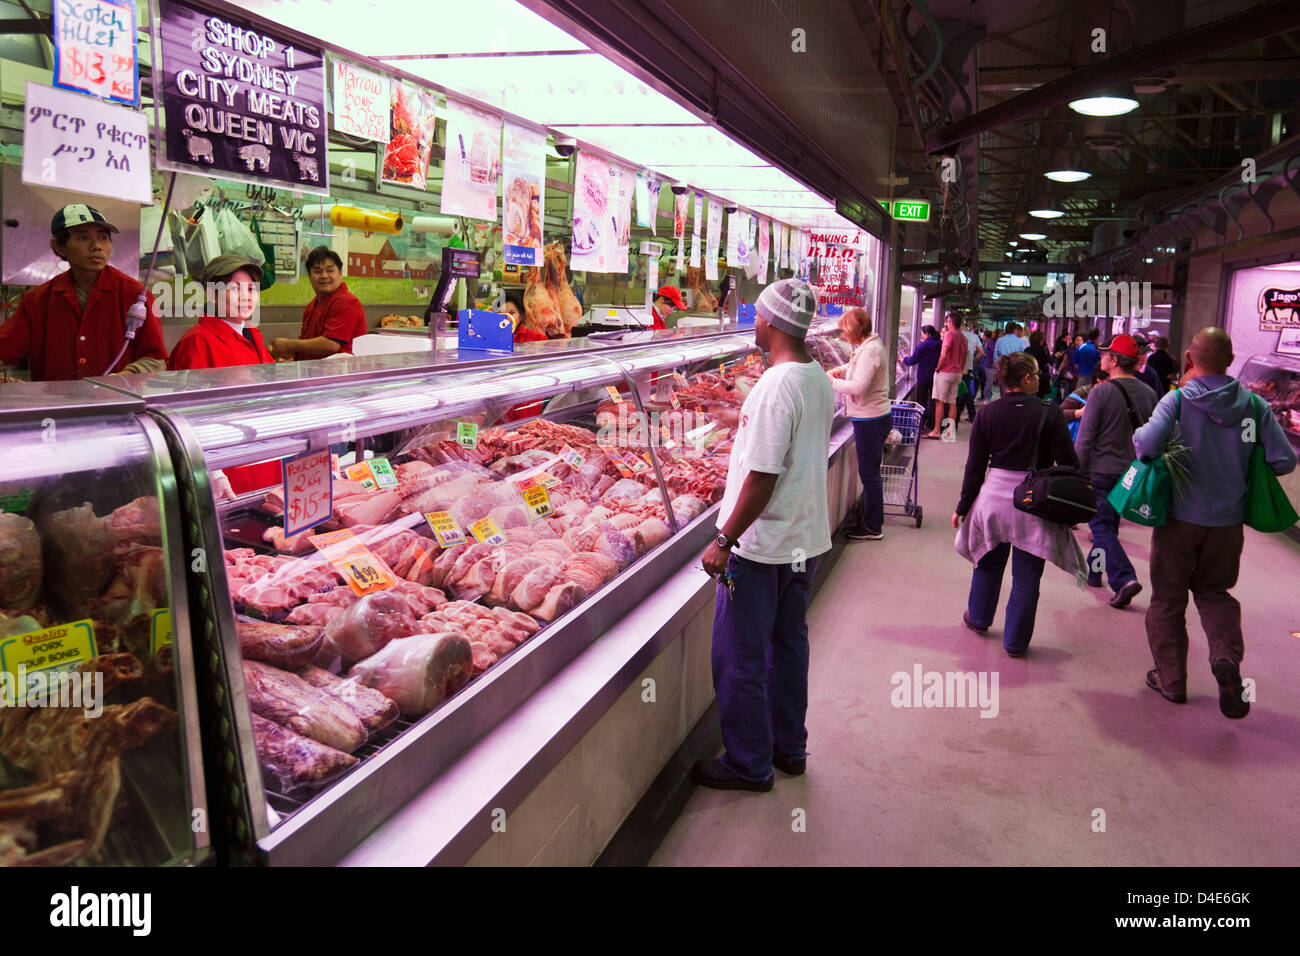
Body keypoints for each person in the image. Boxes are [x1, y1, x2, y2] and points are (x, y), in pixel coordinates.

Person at [695, 278, 833, 790]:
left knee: (740, 658)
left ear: (773, 323)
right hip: (804, 540)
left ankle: (748, 764)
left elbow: (762, 478)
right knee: (787, 648)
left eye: (756, 315)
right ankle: (788, 749)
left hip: (761, 549)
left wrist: (724, 540)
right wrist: (740, 417)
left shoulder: (775, 386)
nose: (752, 322)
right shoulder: (813, 374)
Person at [1134, 328, 1297, 717]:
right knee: (1215, 593)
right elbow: (1284, 460)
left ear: (1189, 358)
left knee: (1168, 599)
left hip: (1178, 520)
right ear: (1231, 358)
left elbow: (1146, 445)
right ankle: (1225, 659)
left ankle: (1171, 680)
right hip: (1227, 524)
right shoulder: (1255, 407)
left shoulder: (1176, 401)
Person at [954, 352, 1083, 656]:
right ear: (1026, 379)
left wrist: (962, 507)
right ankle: (1015, 642)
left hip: (993, 500)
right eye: (1037, 375)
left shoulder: (988, 413)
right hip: (1034, 502)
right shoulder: (1049, 413)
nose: (1040, 379)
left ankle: (980, 617)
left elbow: (974, 469)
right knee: (1027, 578)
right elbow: (1069, 463)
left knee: (987, 562)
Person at [0, 204, 166, 381]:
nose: (96, 246)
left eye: (103, 238)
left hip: (117, 405)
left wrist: (122, 379)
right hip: (57, 406)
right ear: (59, 246)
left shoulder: (135, 295)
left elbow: (156, 360)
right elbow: (5, 348)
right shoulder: (37, 300)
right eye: (83, 237)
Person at [1074, 335, 1158, 607]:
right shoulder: (1150, 394)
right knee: (1108, 524)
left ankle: (1124, 578)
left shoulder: (1101, 392)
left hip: (1100, 471)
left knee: (1100, 525)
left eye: (1105, 354)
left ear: (1114, 360)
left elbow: (1085, 438)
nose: (1101, 357)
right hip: (1131, 473)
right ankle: (1096, 572)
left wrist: (1076, 470)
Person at [827, 307, 889, 540]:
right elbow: (857, 370)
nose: (843, 336)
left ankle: (874, 526)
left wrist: (832, 382)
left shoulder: (870, 350)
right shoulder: (869, 347)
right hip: (870, 417)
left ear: (854, 329)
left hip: (870, 419)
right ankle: (871, 521)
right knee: (870, 472)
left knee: (869, 474)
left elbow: (859, 387)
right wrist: (840, 370)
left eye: (844, 331)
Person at [167, 256, 273, 370]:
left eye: (250, 289)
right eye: (234, 288)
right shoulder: (196, 343)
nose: (245, 297)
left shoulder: (253, 334)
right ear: (212, 295)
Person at [270, 246, 367, 361]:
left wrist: (289, 345)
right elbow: (307, 346)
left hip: (340, 375)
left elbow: (331, 344)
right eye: (317, 271)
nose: (324, 276)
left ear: (340, 273)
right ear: (309, 276)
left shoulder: (346, 302)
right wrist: (290, 354)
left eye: (330, 270)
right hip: (315, 373)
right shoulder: (313, 305)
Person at [925, 313, 968, 439]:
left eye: (947, 321)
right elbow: (965, 355)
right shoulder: (963, 337)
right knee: (952, 402)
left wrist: (938, 368)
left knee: (939, 402)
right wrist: (960, 368)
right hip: (957, 373)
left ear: (950, 321)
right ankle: (949, 433)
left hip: (945, 372)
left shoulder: (950, 334)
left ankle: (937, 430)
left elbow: (944, 354)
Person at [903, 325, 941, 430]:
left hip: (923, 377)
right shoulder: (940, 344)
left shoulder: (922, 346)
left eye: (923, 333)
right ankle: (932, 424)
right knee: (934, 402)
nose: (922, 335)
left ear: (927, 334)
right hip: (936, 377)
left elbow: (912, 360)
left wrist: (904, 360)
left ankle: (920, 425)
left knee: (921, 402)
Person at [958, 322, 983, 423]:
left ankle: (959, 414)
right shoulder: (975, 336)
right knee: (965, 390)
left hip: (957, 367)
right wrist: (973, 360)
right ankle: (971, 414)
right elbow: (981, 352)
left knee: (962, 391)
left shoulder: (957, 335)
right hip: (968, 367)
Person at [1026, 330, 1053, 399]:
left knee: (1030, 396)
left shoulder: (1027, 350)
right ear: (1041, 340)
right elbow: (1049, 361)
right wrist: (1055, 356)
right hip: (1041, 377)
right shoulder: (1043, 350)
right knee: (1040, 397)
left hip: (1030, 376)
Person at [979, 329, 997, 400]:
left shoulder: (991, 343)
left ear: (986, 336)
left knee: (988, 382)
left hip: (990, 364)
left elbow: (993, 353)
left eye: (983, 335)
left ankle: (987, 396)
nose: (982, 336)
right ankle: (984, 396)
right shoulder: (984, 343)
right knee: (983, 381)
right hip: (984, 364)